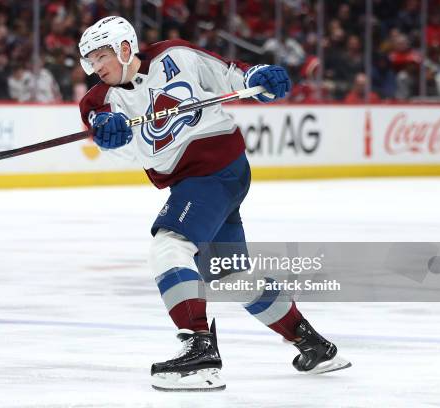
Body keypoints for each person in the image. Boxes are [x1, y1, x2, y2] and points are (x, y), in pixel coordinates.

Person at [77, 16, 351, 392]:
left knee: (168, 248)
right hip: (202, 182)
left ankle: (199, 349)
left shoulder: (176, 55)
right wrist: (111, 137)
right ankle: (314, 344)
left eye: (102, 56)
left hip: (216, 174)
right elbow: (123, 149)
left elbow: (228, 75)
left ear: (126, 48)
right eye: (90, 60)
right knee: (231, 277)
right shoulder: (97, 102)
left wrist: (260, 79)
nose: (97, 66)